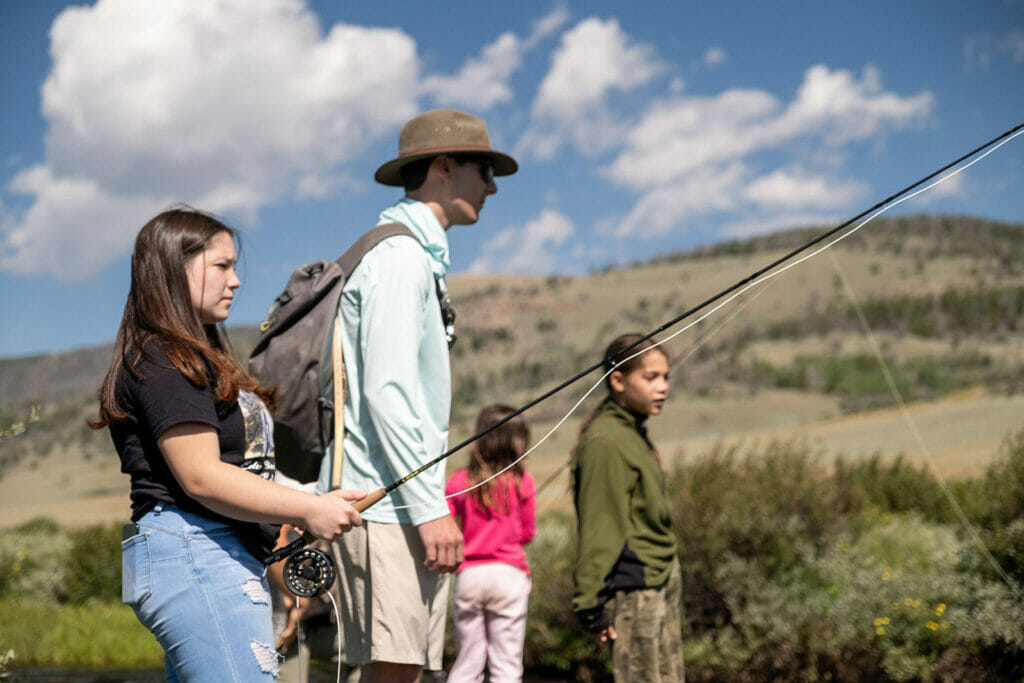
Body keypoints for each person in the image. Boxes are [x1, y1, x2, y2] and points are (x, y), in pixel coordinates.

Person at [91, 207, 364, 682]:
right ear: (174, 269)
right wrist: (307, 508)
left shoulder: (195, 357)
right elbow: (202, 476)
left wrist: (296, 512)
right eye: (222, 266)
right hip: (195, 554)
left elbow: (242, 472)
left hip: (217, 556)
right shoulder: (161, 357)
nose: (236, 281)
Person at [316, 108, 518, 683]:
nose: (493, 186)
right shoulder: (401, 259)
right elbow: (387, 391)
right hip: (384, 505)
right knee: (393, 670)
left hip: (388, 501)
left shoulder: (409, 256)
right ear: (444, 167)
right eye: (485, 170)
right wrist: (432, 508)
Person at [571, 334, 685, 683]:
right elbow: (600, 530)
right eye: (651, 378)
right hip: (636, 588)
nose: (663, 387)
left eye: (665, 377)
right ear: (617, 381)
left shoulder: (632, 433)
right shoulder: (605, 441)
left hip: (661, 576)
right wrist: (590, 605)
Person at [445, 404, 537, 683]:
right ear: (518, 442)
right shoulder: (523, 482)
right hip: (509, 575)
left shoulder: (459, 481)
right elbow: (528, 534)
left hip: (469, 577)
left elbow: (446, 526)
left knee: (467, 663)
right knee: (506, 665)